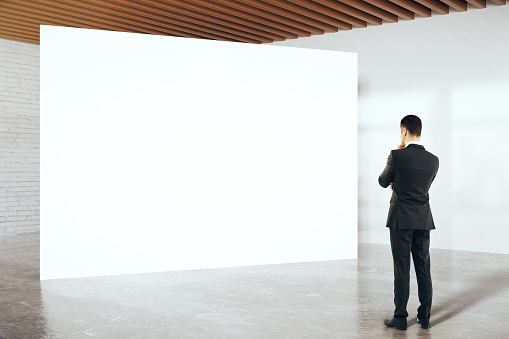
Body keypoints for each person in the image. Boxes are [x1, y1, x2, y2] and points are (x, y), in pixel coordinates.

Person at [378, 115, 439, 331]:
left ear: (404, 131)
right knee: (424, 268)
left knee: (402, 269)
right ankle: (424, 317)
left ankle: (401, 318)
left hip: (400, 219)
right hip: (423, 219)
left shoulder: (397, 155)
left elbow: (383, 181)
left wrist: (395, 168)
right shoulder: (434, 160)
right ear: (419, 131)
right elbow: (423, 186)